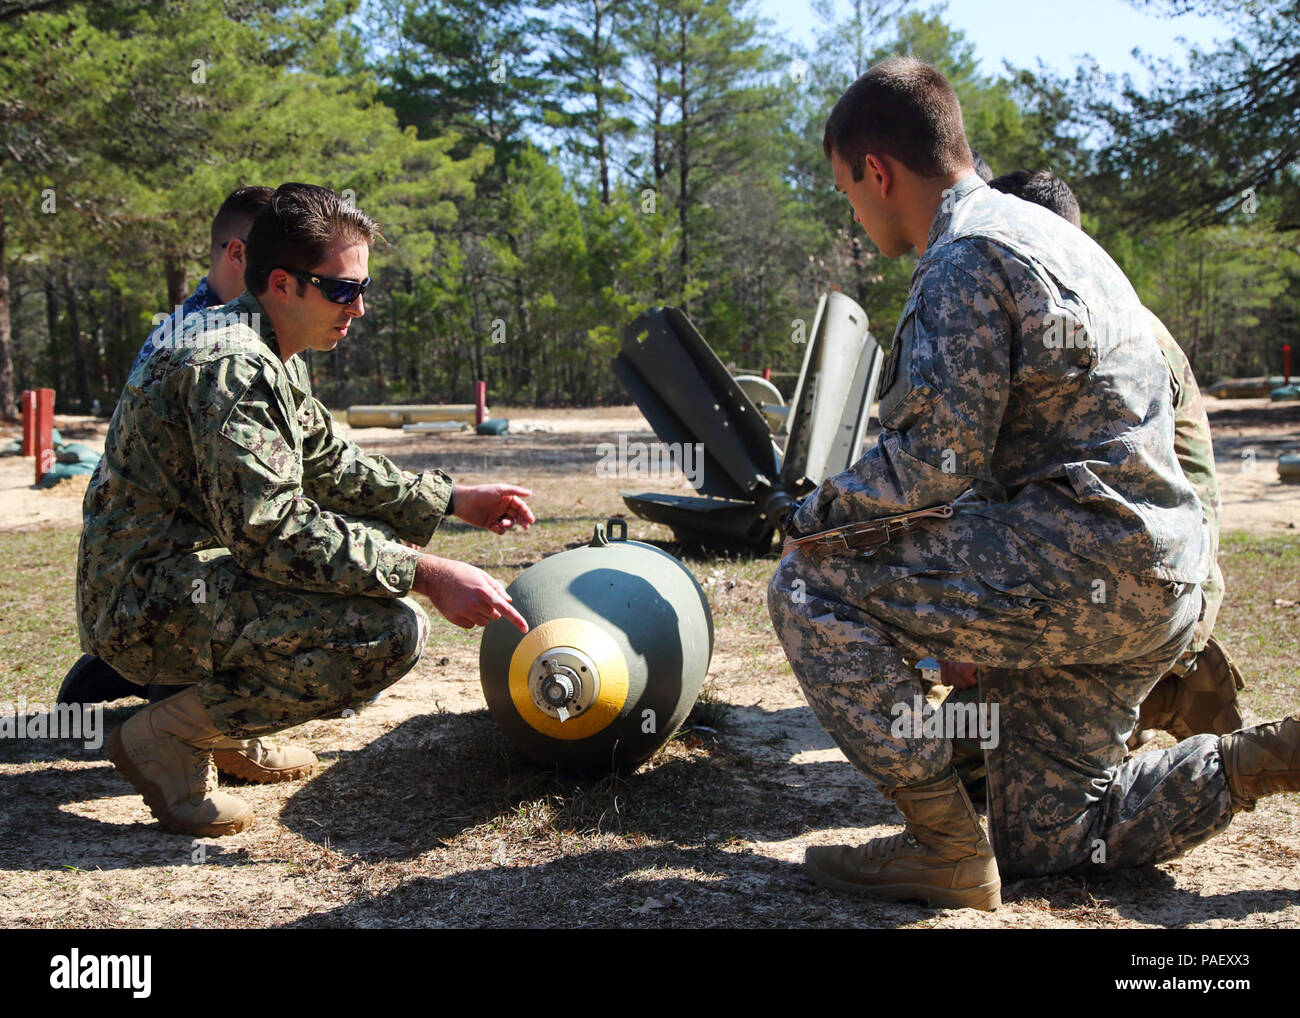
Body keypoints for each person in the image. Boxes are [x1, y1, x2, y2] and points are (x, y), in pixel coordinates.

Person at [767, 57, 1299, 911]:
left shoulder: (964, 255)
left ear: (878, 170)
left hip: (1084, 562)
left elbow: (931, 466)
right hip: (1153, 582)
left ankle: (941, 847)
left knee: (808, 582)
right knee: (1047, 838)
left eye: (846, 189)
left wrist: (809, 516)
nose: (854, 211)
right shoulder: (1055, 237)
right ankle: (1267, 758)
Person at [78, 182, 534, 837]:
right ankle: (172, 737)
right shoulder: (232, 365)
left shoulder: (265, 345)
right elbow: (276, 534)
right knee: (386, 630)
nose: (361, 307)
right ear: (285, 284)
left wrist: (455, 500)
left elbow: (328, 461)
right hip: (141, 600)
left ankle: (229, 729)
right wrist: (428, 574)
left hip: (180, 578)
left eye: (362, 287)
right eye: (343, 290)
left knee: (360, 574)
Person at [935, 169, 1243, 796]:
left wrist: (979, 636)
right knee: (948, 749)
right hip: (1129, 582)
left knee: (968, 769)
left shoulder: (1106, 333)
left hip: (1145, 593)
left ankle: (1165, 687)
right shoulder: (1077, 318)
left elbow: (1102, 518)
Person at [59, 186, 278, 710]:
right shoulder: (202, 340)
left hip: (158, 567)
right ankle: (170, 678)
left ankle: (143, 667)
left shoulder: (239, 328)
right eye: (276, 252)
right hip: (164, 571)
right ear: (238, 253)